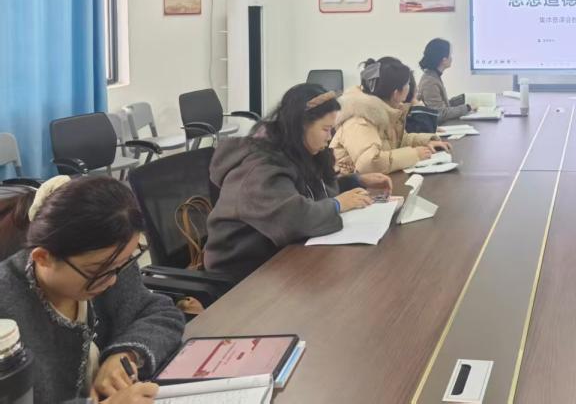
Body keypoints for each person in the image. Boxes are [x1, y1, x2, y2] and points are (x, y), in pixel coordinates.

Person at [0, 175, 185, 404]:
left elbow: (160, 313)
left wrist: (125, 354)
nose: (112, 281)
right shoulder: (7, 308)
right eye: (99, 271)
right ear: (43, 257)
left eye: (123, 263)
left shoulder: (109, 263)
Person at [205, 83, 393, 281]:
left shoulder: (297, 150)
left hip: (281, 257)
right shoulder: (259, 168)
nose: (330, 138)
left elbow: (312, 191)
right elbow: (293, 219)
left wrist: (355, 181)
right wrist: (338, 204)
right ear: (301, 125)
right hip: (242, 274)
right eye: (326, 129)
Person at [331, 57, 450, 175]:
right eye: (407, 83)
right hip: (352, 183)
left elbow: (399, 141)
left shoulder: (386, 110)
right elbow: (370, 162)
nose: (410, 87)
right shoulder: (358, 119)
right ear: (396, 93)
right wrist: (415, 154)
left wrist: (425, 142)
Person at [417, 38, 472, 123]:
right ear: (444, 59)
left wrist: (462, 99)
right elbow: (440, 113)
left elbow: (442, 105)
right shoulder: (430, 82)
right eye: (450, 55)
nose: (451, 58)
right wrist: (467, 108)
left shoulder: (433, 76)